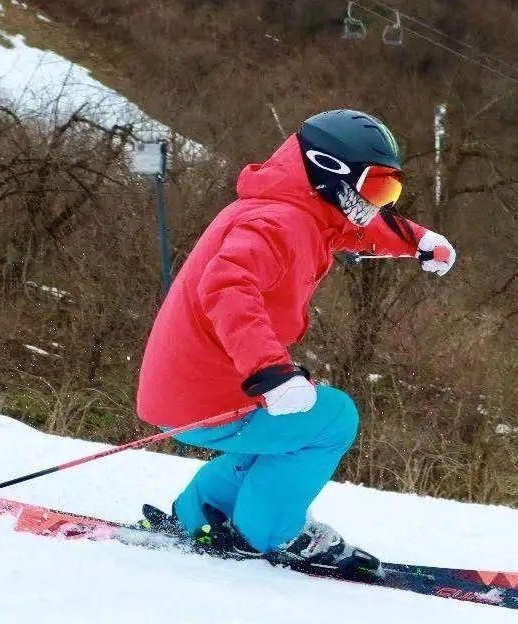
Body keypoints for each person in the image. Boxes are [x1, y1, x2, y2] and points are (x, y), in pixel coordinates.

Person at [135, 109, 456, 573]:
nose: (379, 203)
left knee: (285, 428)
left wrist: (417, 240)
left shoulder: (304, 208)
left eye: (390, 191)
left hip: (191, 386)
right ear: (330, 171)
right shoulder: (276, 223)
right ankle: (270, 533)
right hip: (210, 391)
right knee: (333, 419)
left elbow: (352, 226)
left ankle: (201, 512)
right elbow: (227, 288)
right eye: (376, 188)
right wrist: (271, 372)